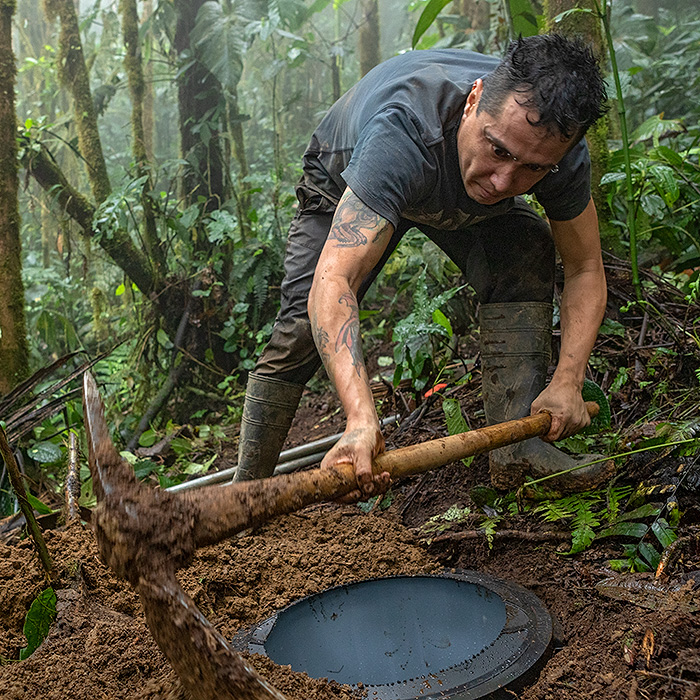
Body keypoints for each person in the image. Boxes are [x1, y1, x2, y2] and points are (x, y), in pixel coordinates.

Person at [234, 34, 613, 498]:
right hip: (348, 170)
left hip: (447, 188)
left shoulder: (558, 146)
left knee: (525, 246)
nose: (504, 181)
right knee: (299, 327)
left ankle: (518, 453)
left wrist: (567, 383)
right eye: (497, 150)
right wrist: (360, 419)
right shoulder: (403, 132)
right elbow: (336, 278)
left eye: (531, 170)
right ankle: (244, 491)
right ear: (473, 100)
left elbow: (584, 269)